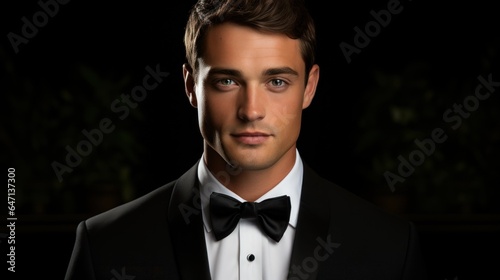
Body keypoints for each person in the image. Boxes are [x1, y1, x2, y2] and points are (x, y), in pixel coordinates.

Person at [65, 0, 428, 279]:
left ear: (310, 87)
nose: (251, 110)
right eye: (227, 81)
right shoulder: (106, 247)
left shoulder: (391, 249)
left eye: (277, 82)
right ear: (191, 86)